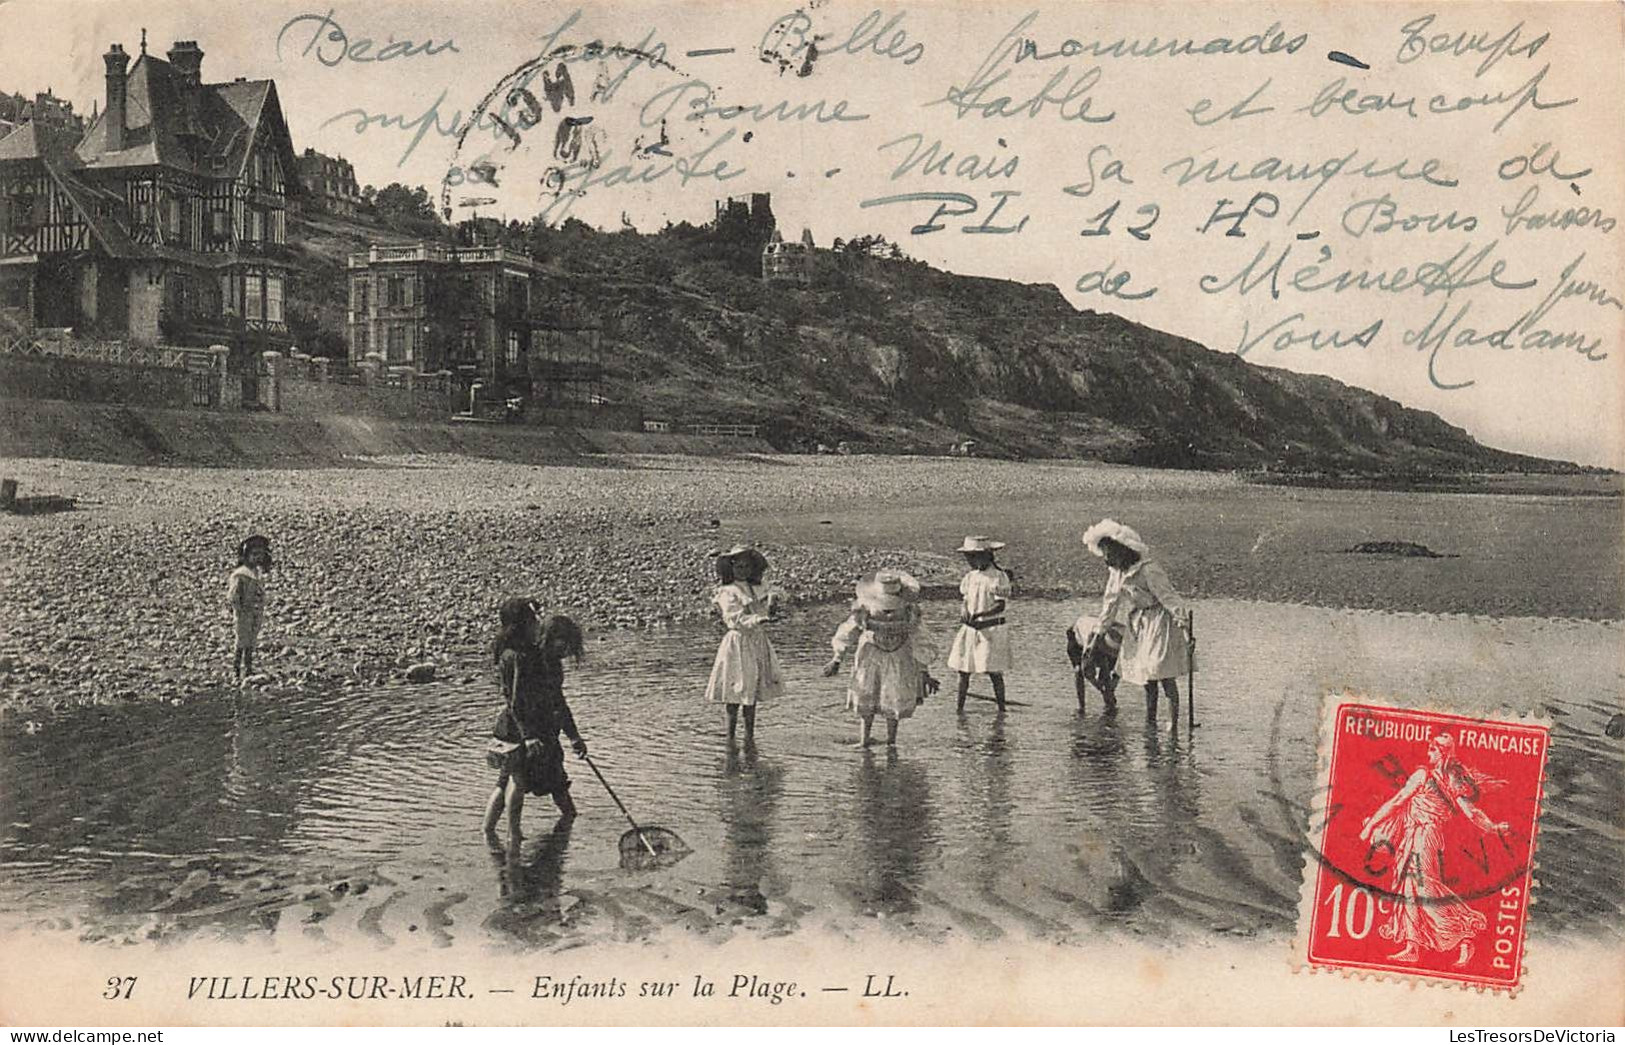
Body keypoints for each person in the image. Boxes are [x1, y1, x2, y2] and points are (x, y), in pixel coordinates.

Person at [1358, 733, 1508, 966]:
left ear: (1442, 753)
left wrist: (1370, 825)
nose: (1428, 753)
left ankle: (1462, 935)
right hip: (1423, 836)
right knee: (1411, 888)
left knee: (1424, 888)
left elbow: (1398, 801)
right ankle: (1413, 946)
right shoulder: (1453, 780)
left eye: (1432, 749)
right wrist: (1493, 827)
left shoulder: (1423, 775)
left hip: (1422, 836)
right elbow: (1472, 813)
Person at [483, 600, 588, 840]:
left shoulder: (547, 662)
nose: (566, 654)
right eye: (564, 647)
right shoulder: (526, 658)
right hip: (523, 731)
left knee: (542, 781)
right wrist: (529, 736)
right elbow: (517, 701)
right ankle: (511, 835)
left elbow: (559, 704)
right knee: (514, 781)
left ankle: (490, 837)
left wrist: (574, 737)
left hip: (539, 732)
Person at [1081, 520, 1191, 731]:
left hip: (1160, 621)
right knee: (1147, 677)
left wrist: (1184, 626)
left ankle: (1172, 723)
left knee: (1162, 672)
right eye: (1103, 554)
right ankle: (1150, 720)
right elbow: (1109, 606)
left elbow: (1170, 598)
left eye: (1109, 554)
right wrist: (1097, 636)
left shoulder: (1149, 570)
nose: (1106, 559)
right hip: (1141, 624)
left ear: (1122, 551)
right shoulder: (1116, 573)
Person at [822, 570, 940, 748]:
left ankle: (891, 741)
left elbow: (920, 640)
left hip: (899, 655)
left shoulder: (909, 611)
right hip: (871, 652)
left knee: (894, 693)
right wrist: (837, 658)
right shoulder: (864, 608)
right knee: (866, 691)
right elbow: (848, 631)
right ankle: (864, 739)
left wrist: (924, 671)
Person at [703, 546, 784, 742]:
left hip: (756, 641)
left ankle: (749, 737)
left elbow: (776, 592)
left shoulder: (757, 586)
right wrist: (760, 619)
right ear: (731, 568)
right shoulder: (727, 591)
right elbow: (734, 619)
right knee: (735, 691)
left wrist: (773, 600)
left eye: (746, 566)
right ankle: (730, 737)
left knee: (751, 690)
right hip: (738, 641)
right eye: (738, 566)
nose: (743, 570)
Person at [947, 536, 1013, 712]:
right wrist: (964, 610)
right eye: (968, 558)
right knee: (963, 670)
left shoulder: (998, 577)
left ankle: (1001, 709)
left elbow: (1000, 605)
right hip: (971, 629)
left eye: (972, 557)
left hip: (990, 629)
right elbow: (966, 598)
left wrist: (980, 614)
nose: (969, 561)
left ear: (985, 555)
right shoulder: (970, 577)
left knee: (993, 671)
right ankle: (959, 709)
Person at [227, 534, 272, 681]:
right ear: (246, 555)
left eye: (260, 554)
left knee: (252, 639)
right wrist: (239, 609)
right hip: (244, 612)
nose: (257, 558)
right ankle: (236, 668)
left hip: (256, 611)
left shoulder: (255, 573)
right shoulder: (240, 574)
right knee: (241, 639)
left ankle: (248, 667)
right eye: (254, 554)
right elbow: (233, 595)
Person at [1066, 611, 1123, 713]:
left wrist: (1111, 689)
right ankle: (1081, 707)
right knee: (1079, 671)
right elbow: (1087, 673)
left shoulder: (1123, 636)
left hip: (1096, 627)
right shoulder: (1091, 645)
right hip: (1077, 635)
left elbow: (1120, 669)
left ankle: (1108, 703)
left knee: (1105, 670)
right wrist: (1103, 690)